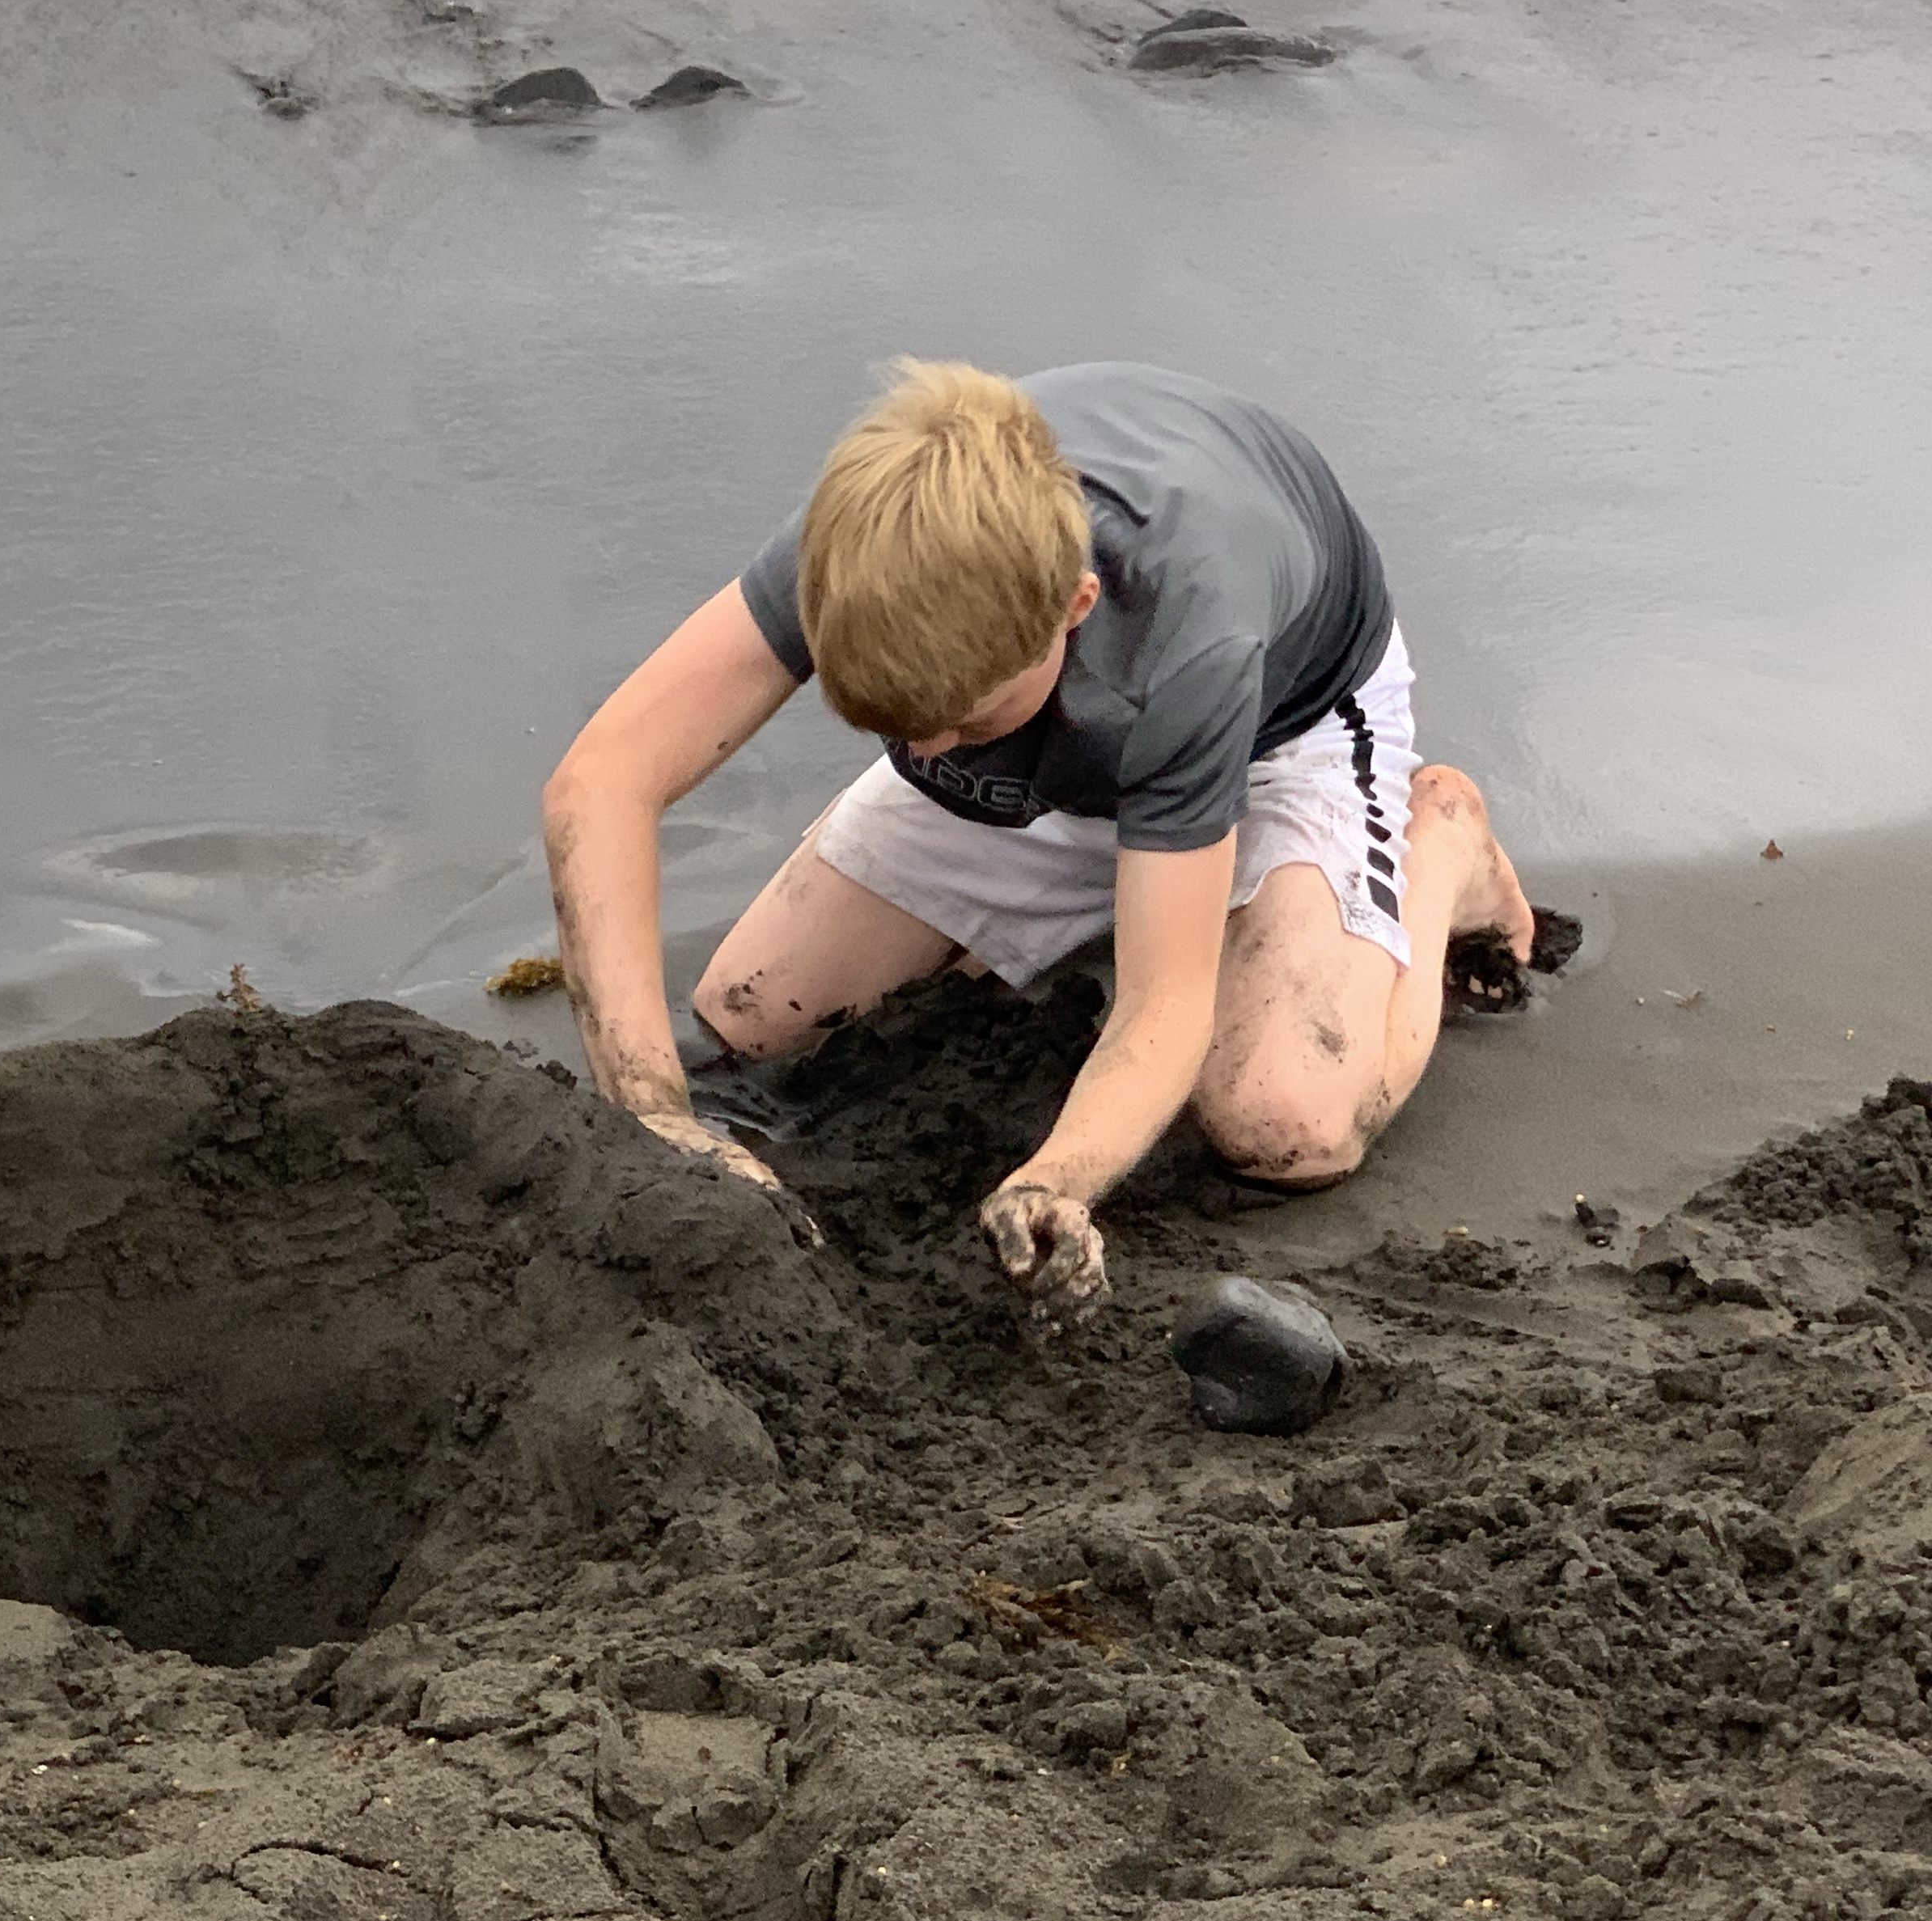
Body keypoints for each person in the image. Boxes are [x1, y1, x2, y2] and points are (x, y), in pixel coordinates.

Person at [540, 360, 1545, 1334]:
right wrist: (653, 1109)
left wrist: (1055, 1182)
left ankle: (1441, 849)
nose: (929, 750)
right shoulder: (865, 544)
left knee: (1284, 1123)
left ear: (1073, 607)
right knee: (755, 1014)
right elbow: (603, 782)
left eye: (962, 719)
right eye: (895, 721)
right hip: (1062, 730)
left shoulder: (1194, 629)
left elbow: (1165, 1001)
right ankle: (1089, 869)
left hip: (1282, 730)